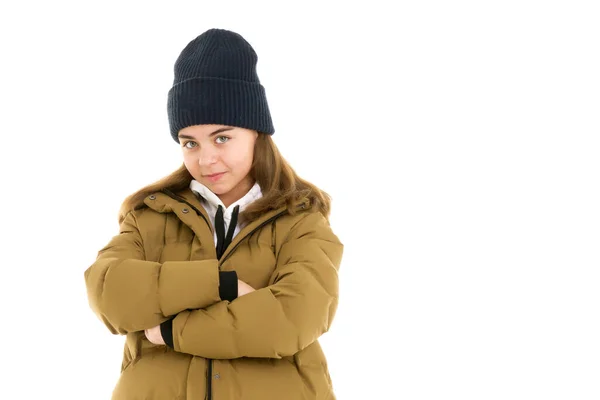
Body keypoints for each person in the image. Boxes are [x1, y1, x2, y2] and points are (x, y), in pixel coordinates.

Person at [84, 28, 344, 400]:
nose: (205, 160)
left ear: (257, 132)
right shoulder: (150, 215)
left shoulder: (302, 220)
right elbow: (107, 291)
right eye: (190, 142)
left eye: (222, 137)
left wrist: (172, 332)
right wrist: (221, 285)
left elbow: (293, 318)